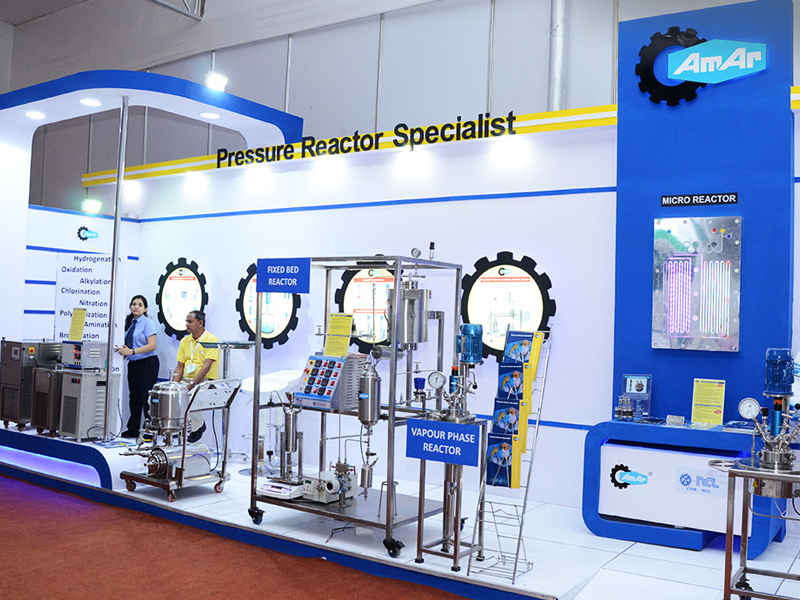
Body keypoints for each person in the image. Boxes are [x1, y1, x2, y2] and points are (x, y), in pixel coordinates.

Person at [172, 310, 219, 443]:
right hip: (186, 380)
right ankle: (176, 428)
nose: (187, 324)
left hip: (205, 381)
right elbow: (180, 367)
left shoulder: (211, 340)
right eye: (186, 321)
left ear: (200, 323)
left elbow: (206, 366)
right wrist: (174, 386)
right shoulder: (185, 341)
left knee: (189, 396)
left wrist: (192, 384)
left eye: (190, 321)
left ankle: (198, 427)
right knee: (167, 396)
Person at [116, 295, 159, 438]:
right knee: (134, 397)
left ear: (145, 309)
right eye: (134, 304)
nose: (136, 307)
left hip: (147, 363)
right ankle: (133, 429)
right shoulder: (130, 323)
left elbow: (152, 345)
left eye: (140, 305)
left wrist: (132, 351)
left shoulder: (148, 323)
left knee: (146, 397)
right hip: (133, 364)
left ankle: (150, 430)